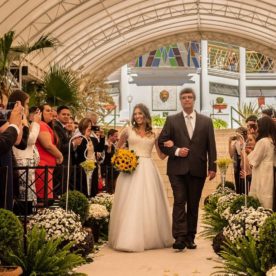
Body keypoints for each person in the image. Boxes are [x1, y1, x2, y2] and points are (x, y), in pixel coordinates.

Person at [109, 103, 173, 252]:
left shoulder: (154, 134)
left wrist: (170, 145)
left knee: (149, 201)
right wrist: (124, 160)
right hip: (130, 169)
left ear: (146, 115)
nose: (137, 116)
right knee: (130, 201)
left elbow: (162, 156)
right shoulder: (127, 130)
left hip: (148, 169)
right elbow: (118, 150)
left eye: (140, 114)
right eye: (135, 114)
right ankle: (127, 238)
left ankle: (150, 237)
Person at [158, 87, 217, 250]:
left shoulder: (206, 121)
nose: (187, 100)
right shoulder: (172, 120)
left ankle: (190, 237)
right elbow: (161, 142)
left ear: (194, 99)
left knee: (193, 204)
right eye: (184, 97)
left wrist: (213, 166)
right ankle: (179, 237)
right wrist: (176, 150)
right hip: (177, 169)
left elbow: (211, 145)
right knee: (179, 201)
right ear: (180, 100)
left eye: (190, 97)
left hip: (198, 169)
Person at [245, 116, 276, 209]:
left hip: (262, 176)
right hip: (269, 175)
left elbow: (252, 161)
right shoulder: (271, 141)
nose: (256, 130)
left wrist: (246, 153)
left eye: (258, 127)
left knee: (261, 203)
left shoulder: (263, 142)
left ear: (263, 127)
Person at [101, 129, 119, 193]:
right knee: (108, 186)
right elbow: (106, 157)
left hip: (113, 169)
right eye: (116, 136)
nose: (117, 138)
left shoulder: (113, 145)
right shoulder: (105, 145)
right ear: (110, 136)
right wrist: (109, 148)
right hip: (107, 169)